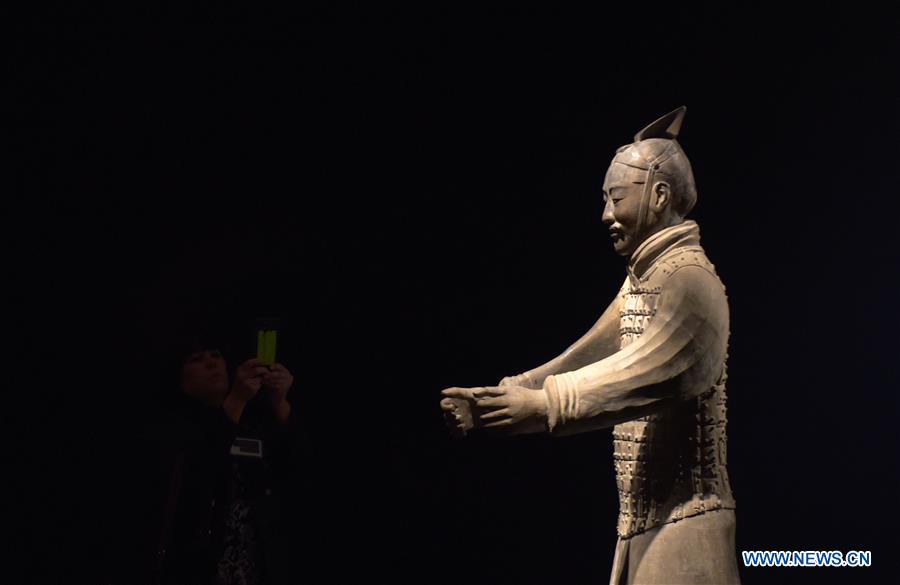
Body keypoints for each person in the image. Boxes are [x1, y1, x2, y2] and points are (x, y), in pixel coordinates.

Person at [441, 106, 740, 584]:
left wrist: (543, 405)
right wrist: (502, 395)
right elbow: (593, 352)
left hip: (687, 525)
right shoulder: (646, 278)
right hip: (646, 526)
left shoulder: (689, 279)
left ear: (659, 195)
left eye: (616, 198)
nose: (606, 215)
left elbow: (651, 371)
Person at [148, 330, 300, 585]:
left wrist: (280, 403)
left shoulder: (251, 422)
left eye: (216, 355)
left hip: (256, 569)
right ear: (179, 378)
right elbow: (199, 474)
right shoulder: (171, 428)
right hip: (199, 570)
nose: (212, 363)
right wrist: (236, 400)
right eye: (196, 359)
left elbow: (296, 474)